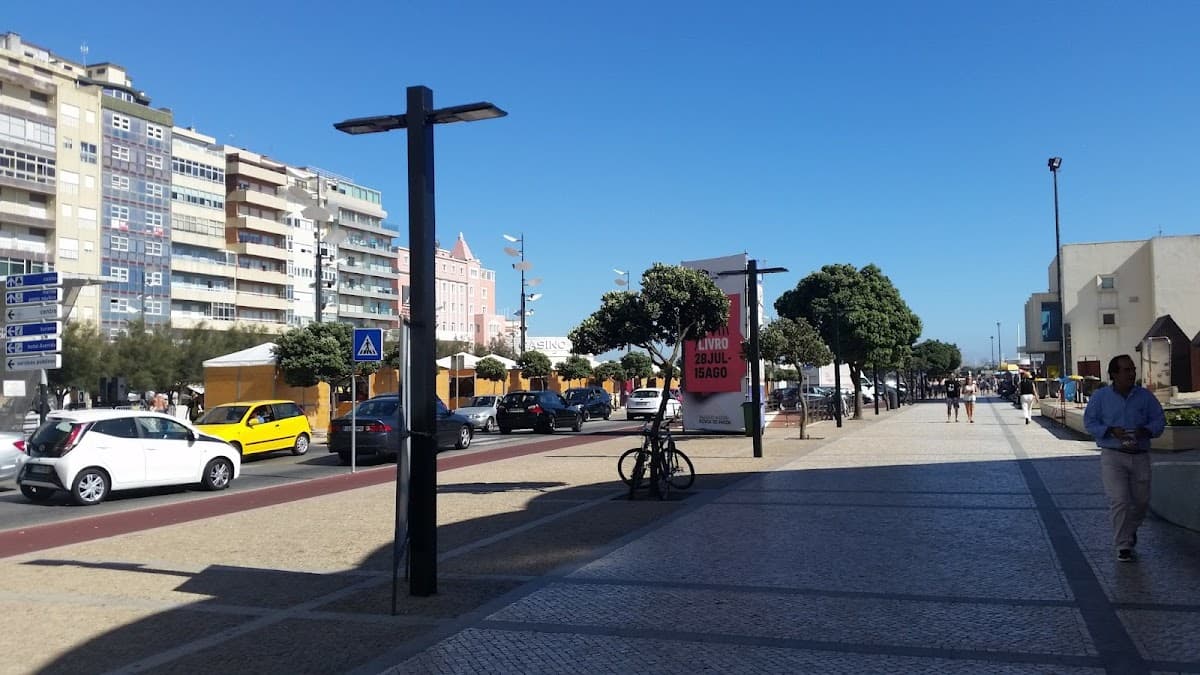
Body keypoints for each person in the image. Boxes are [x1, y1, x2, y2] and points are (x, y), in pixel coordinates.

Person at [1083, 355, 1165, 563]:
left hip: (1140, 455)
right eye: (1126, 370)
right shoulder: (1100, 397)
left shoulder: (1145, 397)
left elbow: (1159, 420)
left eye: (1133, 369)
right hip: (1113, 456)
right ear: (1114, 374)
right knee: (1119, 500)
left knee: (1141, 502)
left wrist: (1146, 430)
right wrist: (1110, 430)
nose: (1131, 373)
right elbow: (1090, 422)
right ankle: (1123, 545)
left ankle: (1129, 530)